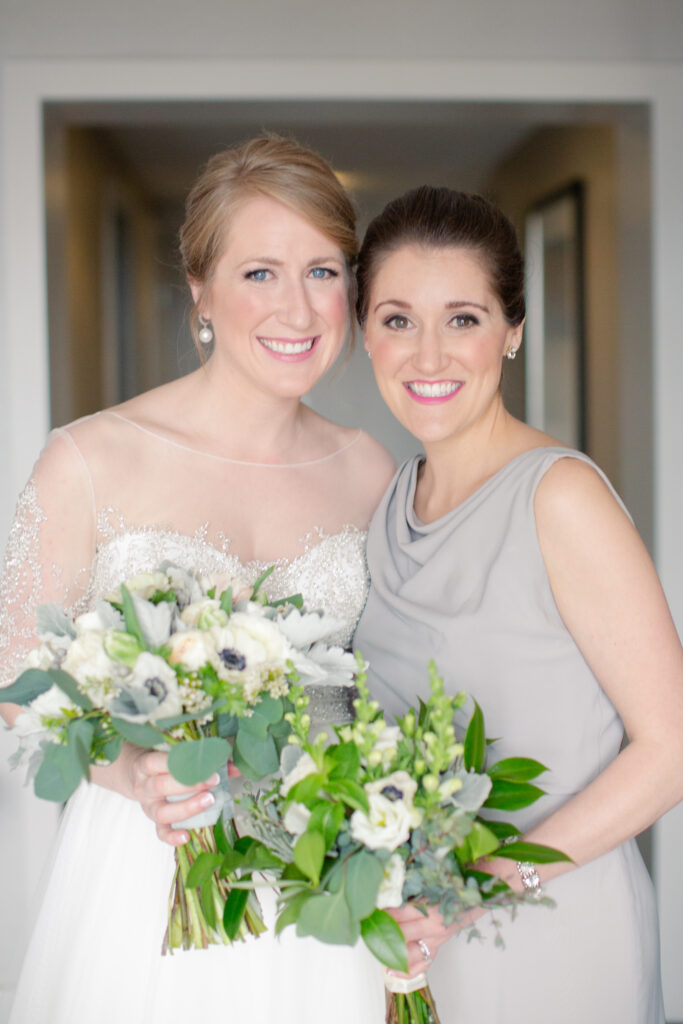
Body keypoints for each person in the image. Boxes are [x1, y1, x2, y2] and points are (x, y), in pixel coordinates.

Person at [0, 135, 393, 1023]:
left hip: (318, 878)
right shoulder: (89, 459)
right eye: (259, 272)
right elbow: (12, 674)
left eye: (323, 271)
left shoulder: (371, 470)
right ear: (200, 292)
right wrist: (129, 769)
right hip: (144, 875)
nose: (297, 307)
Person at [353, 185, 683, 1024]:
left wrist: (478, 887)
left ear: (513, 332)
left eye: (462, 318)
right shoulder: (388, 502)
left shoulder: (559, 498)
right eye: (397, 320)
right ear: (363, 334)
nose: (428, 355)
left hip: (553, 934)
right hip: (419, 940)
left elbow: (671, 747)